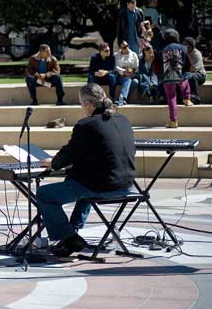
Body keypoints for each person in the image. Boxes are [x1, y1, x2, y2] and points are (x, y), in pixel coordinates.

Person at [36, 83, 136, 257]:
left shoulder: (86, 125)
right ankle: (72, 231)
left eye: (81, 104)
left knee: (44, 194)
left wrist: (53, 163)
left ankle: (69, 237)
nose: (82, 107)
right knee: (78, 181)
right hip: (128, 184)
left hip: (104, 186)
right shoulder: (123, 120)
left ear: (89, 105)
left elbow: (69, 152)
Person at [155, 29, 193, 128]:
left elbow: (156, 64)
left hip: (167, 77)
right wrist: (186, 72)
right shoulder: (183, 48)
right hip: (180, 74)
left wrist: (159, 74)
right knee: (184, 81)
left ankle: (173, 121)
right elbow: (188, 62)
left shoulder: (160, 48)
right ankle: (187, 98)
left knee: (171, 98)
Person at [114, 40, 139, 106]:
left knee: (135, 82)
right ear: (120, 48)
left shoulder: (134, 54)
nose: (127, 48)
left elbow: (136, 66)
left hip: (131, 75)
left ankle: (123, 97)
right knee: (127, 79)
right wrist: (124, 72)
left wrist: (129, 71)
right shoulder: (116, 55)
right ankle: (123, 98)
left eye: (127, 46)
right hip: (120, 76)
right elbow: (116, 67)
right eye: (124, 47)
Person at [183, 37, 206, 104]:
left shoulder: (197, 53)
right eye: (183, 44)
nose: (185, 46)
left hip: (200, 75)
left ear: (192, 45)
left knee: (192, 76)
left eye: (187, 45)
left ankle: (195, 97)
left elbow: (194, 69)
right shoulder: (183, 53)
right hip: (187, 74)